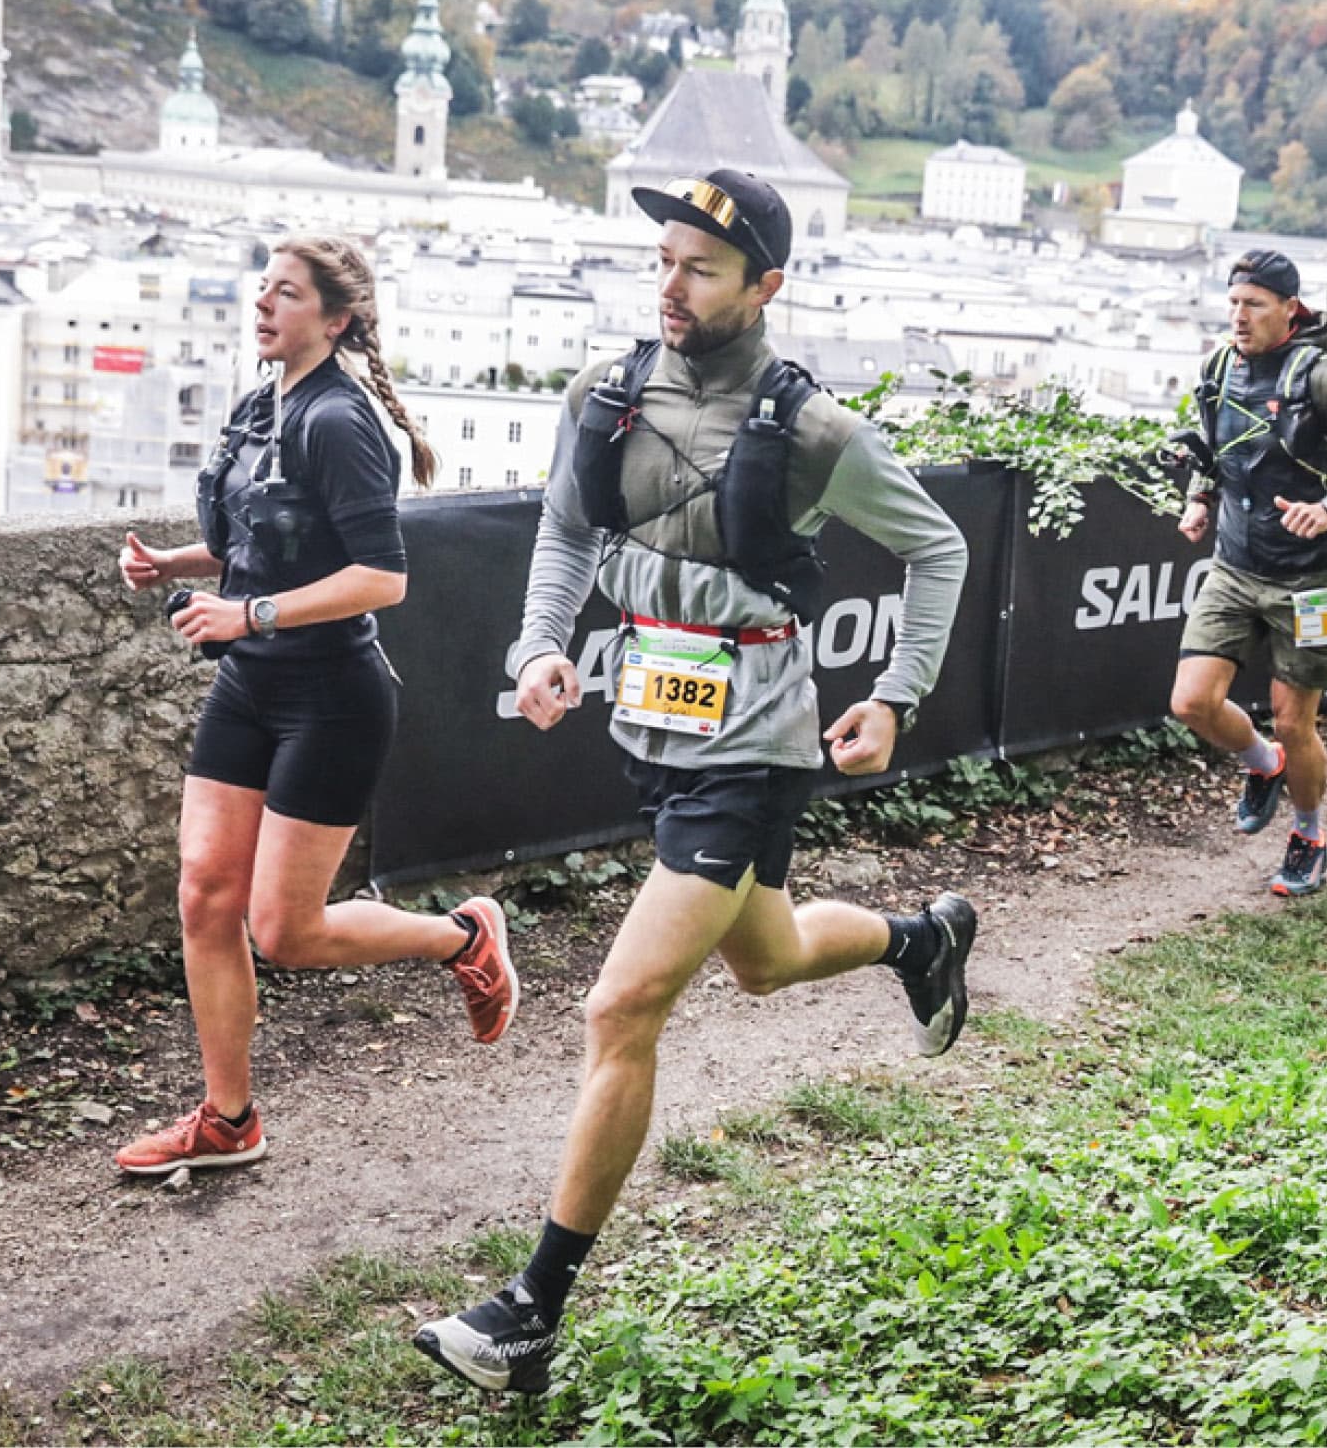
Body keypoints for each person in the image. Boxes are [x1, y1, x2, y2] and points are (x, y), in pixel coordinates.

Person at [415, 169, 973, 1395]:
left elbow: (938, 544)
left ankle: (531, 1313)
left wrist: (897, 694)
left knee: (620, 1008)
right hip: (655, 728)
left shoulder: (811, 428)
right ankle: (921, 939)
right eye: (663, 260)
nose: (670, 285)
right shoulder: (606, 393)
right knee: (767, 956)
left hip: (755, 743)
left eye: (700, 268)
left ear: (764, 285)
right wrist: (539, 642)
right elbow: (568, 529)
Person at [110, 236, 516, 1178]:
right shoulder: (263, 404)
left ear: (335, 320)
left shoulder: (338, 419)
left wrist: (246, 612)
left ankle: (462, 937)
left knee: (285, 932)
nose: (263, 305)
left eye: (285, 294)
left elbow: (380, 577)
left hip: (332, 697)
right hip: (250, 683)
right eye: (262, 288)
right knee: (204, 894)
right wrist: (174, 565)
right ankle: (228, 1119)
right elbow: (263, 543)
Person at [1167, 249, 1327, 897]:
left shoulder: (1322, 379)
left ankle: (1308, 835)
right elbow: (1214, 449)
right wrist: (1199, 498)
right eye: (1232, 303)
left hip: (1308, 582)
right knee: (1191, 702)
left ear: (1288, 309)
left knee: (1293, 722)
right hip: (1233, 566)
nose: (1238, 316)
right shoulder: (1217, 367)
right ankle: (1263, 764)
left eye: (1253, 304)